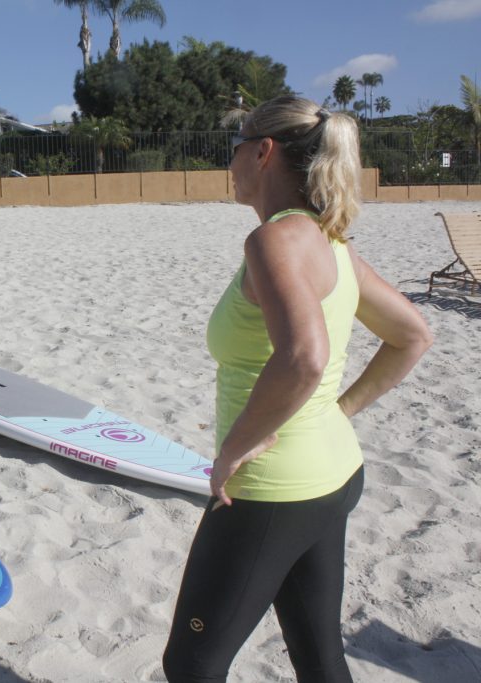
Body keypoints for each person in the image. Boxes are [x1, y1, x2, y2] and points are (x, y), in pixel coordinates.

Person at [162, 95, 433, 682]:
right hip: (333, 475)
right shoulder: (330, 241)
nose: (227, 163)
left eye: (232, 149)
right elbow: (412, 335)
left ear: (262, 152)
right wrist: (339, 412)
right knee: (318, 654)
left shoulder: (275, 242)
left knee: (189, 665)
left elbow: (304, 358)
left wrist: (233, 448)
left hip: (270, 492)